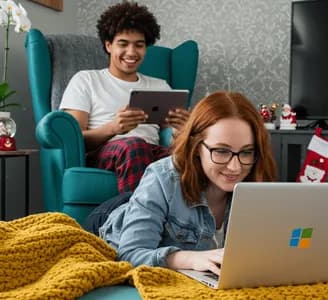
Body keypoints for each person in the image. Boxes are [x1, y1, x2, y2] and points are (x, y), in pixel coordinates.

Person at [84, 91, 277, 276]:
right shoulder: (162, 177)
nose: (235, 167)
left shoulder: (256, 177)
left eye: (246, 152)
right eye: (221, 151)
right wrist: (188, 259)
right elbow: (130, 254)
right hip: (110, 218)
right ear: (196, 147)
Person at [59, 2, 190, 193]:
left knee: (193, 155)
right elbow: (75, 137)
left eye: (139, 45)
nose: (131, 52)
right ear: (109, 45)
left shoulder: (159, 86)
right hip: (107, 152)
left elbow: (172, 138)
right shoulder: (86, 80)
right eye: (123, 44)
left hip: (150, 151)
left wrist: (184, 129)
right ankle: (133, 220)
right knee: (134, 146)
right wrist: (113, 128)